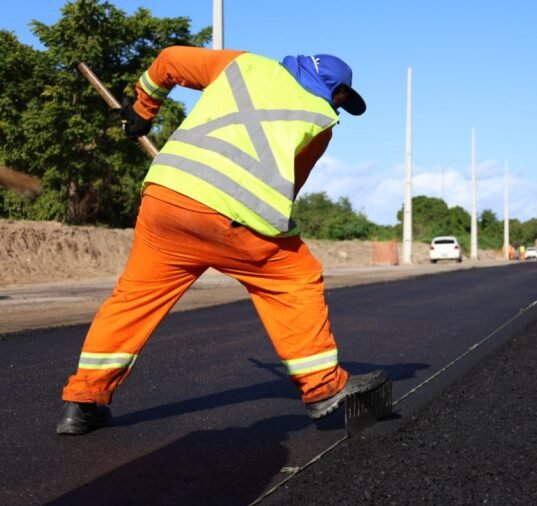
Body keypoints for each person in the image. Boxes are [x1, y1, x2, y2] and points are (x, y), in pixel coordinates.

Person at [56, 46, 387, 435]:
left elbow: (168, 62)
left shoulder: (243, 64)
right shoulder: (321, 118)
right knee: (295, 277)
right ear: (339, 93)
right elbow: (290, 184)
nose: (339, 105)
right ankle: (322, 386)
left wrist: (144, 111)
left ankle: (82, 401)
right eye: (342, 99)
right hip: (237, 219)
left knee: (134, 300)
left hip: (167, 199)